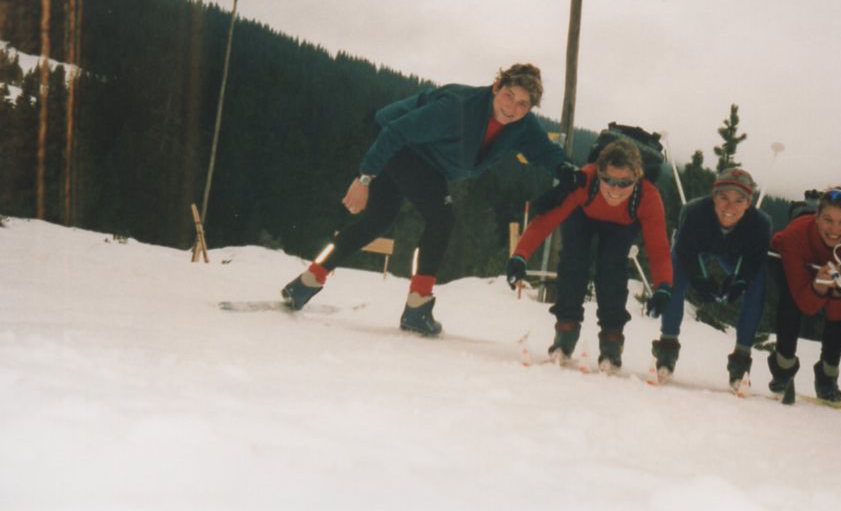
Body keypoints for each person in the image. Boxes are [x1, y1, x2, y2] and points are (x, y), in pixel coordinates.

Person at [281, 64, 583, 336]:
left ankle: (307, 282)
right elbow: (396, 131)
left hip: (426, 158)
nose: (513, 108)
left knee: (377, 221)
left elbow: (545, 151)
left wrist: (565, 168)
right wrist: (364, 179)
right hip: (399, 144)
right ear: (496, 87)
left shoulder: (522, 126)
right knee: (441, 217)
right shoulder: (458, 109)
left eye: (523, 104)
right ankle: (417, 307)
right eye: (508, 96)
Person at [506, 139, 672, 372]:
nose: (615, 190)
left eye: (624, 183)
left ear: (638, 179)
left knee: (612, 271)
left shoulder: (648, 197)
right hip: (583, 216)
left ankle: (611, 343)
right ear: (599, 173)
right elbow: (547, 220)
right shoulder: (586, 180)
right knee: (573, 263)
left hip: (622, 226)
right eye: (608, 180)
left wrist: (663, 286)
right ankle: (565, 333)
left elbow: (659, 249)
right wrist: (520, 255)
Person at [657, 167, 772, 391]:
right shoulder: (694, 212)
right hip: (699, 250)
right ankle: (667, 347)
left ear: (749, 203)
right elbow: (686, 252)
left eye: (739, 200)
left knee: (756, 284)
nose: (730, 207)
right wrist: (701, 279)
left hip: (735, 254)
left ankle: (741, 360)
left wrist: (738, 280)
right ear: (713, 196)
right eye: (724, 197)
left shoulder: (760, 224)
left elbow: (752, 261)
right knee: (675, 273)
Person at [767, 187, 841, 402]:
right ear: (816, 218)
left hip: (827, 265)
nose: (834, 229)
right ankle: (783, 369)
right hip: (789, 256)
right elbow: (805, 304)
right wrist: (818, 287)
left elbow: (839, 313)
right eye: (827, 219)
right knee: (790, 303)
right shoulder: (794, 236)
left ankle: (828, 376)